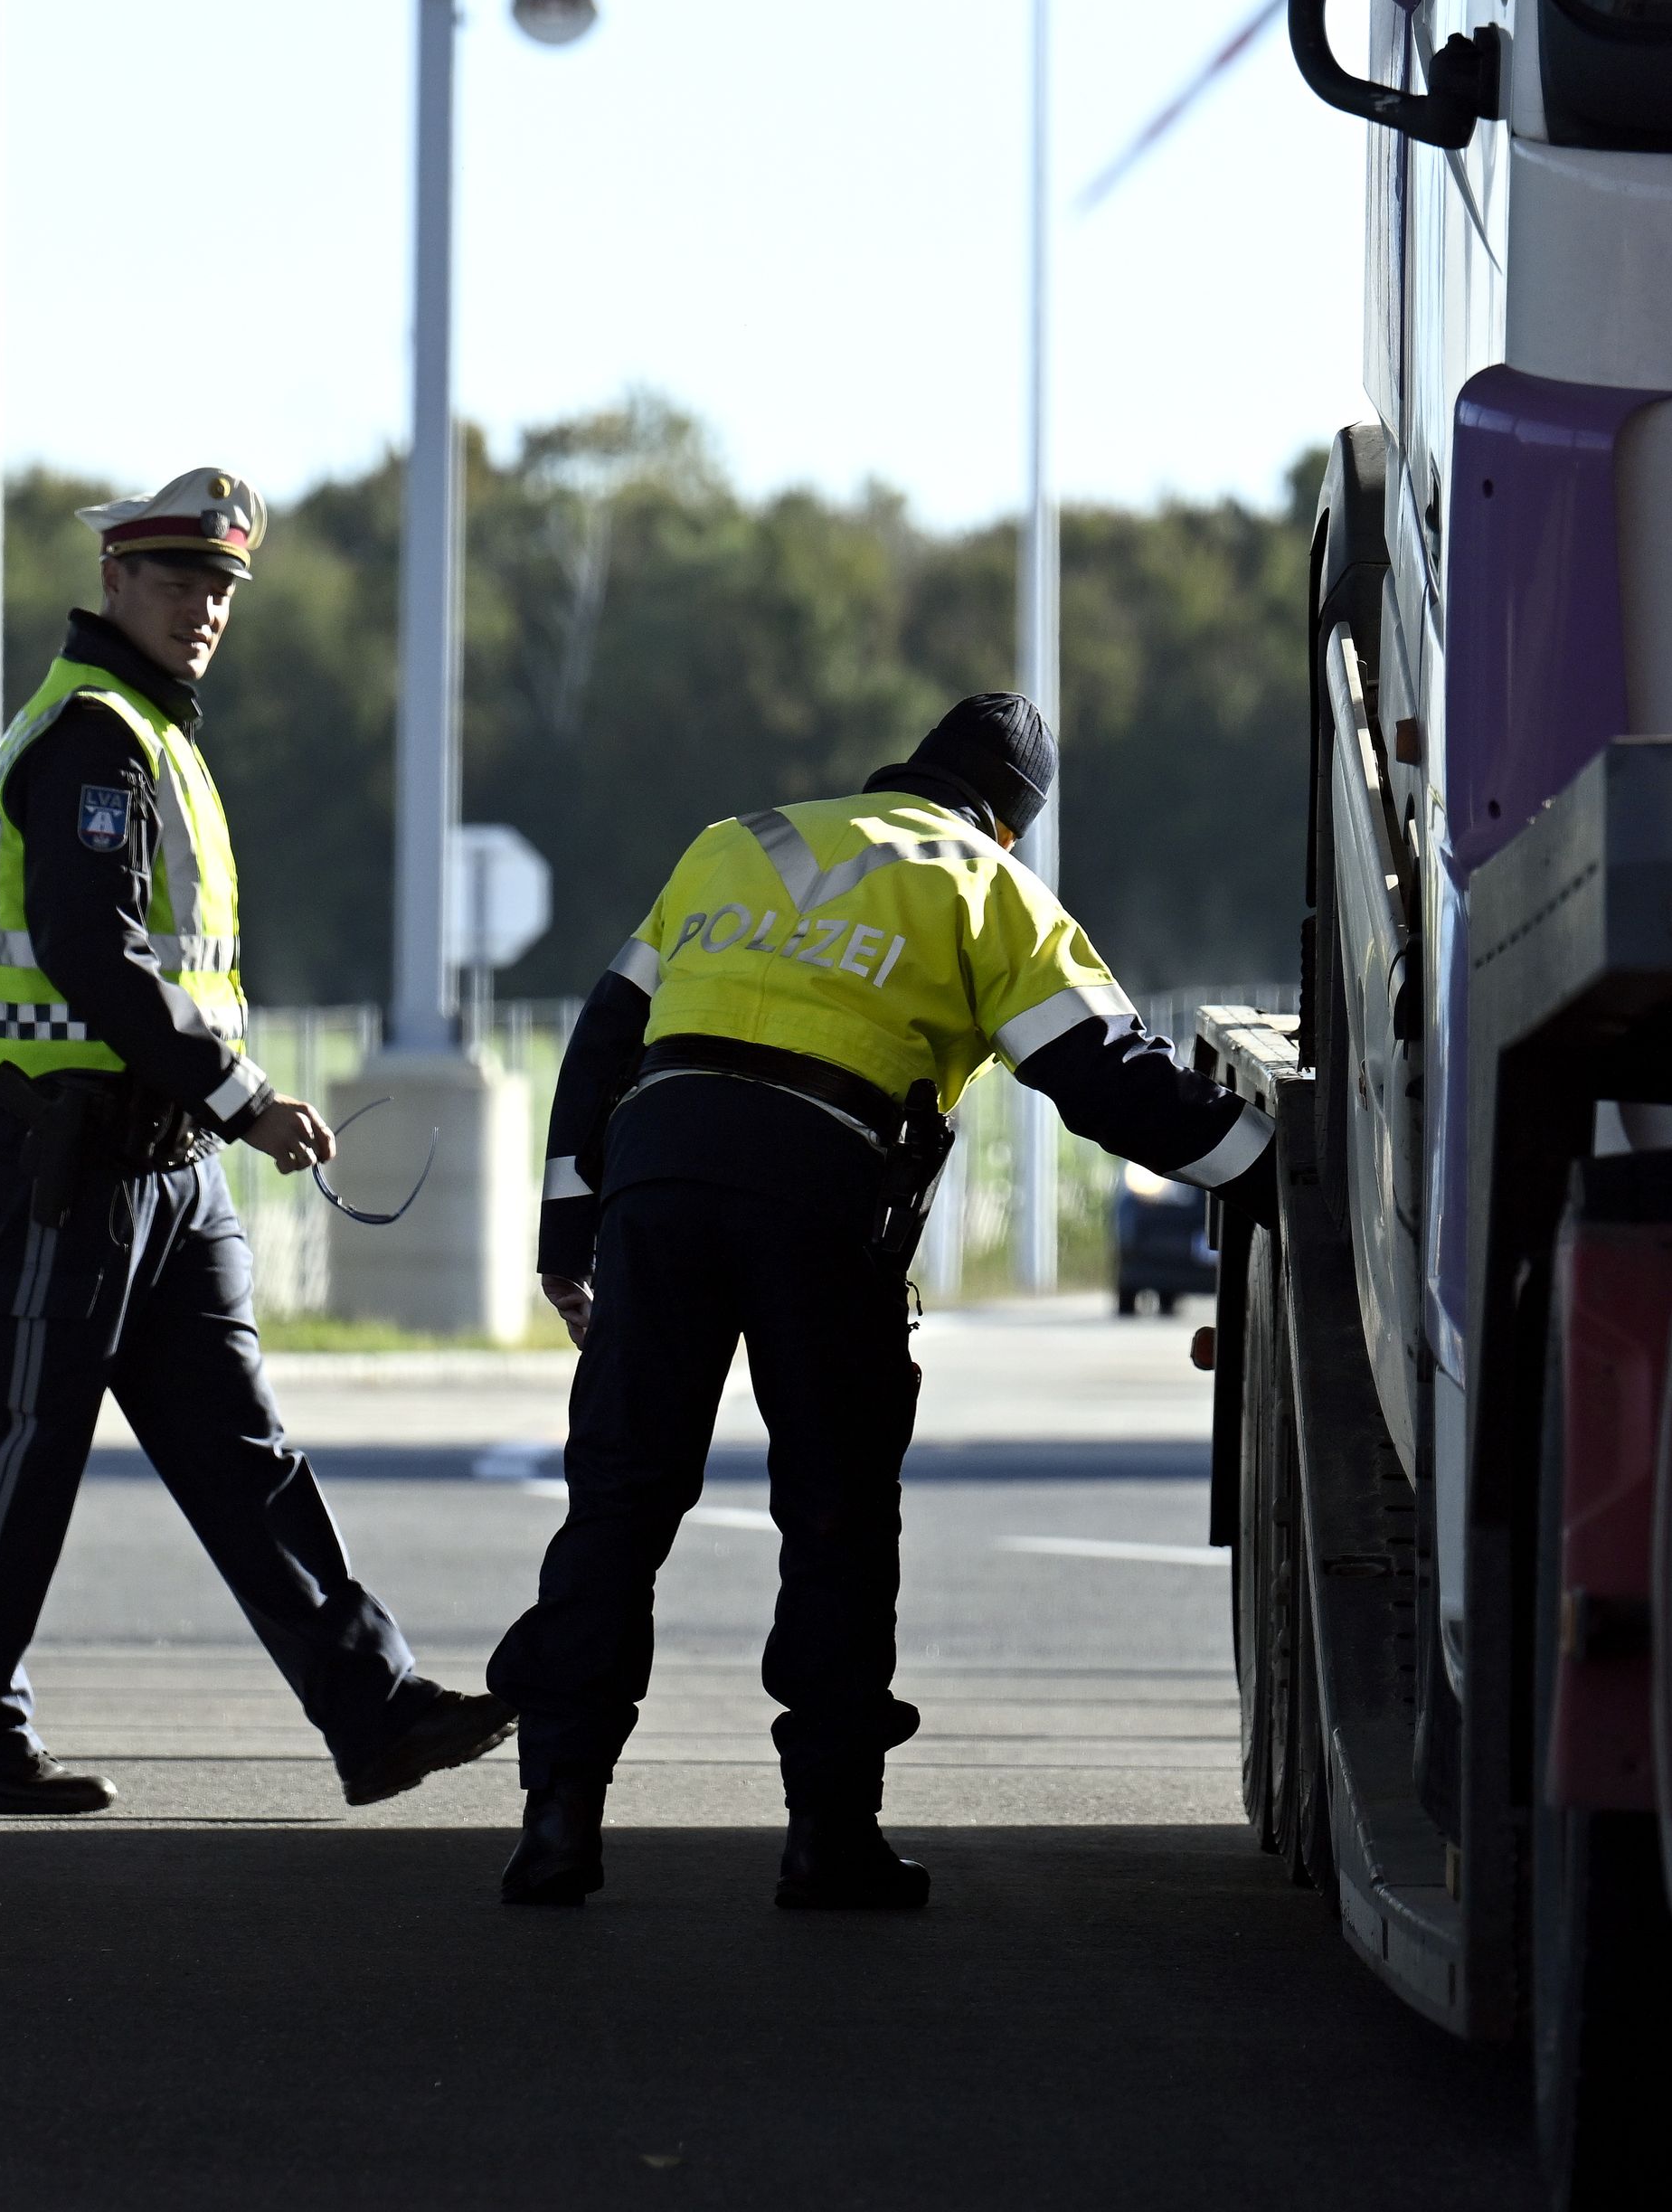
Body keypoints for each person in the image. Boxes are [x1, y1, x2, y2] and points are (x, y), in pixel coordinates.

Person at [487, 693, 1272, 1908]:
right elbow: (1104, 1075)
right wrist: (1274, 1174)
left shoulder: (735, 841)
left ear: (891, 776)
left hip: (663, 1173)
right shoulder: (985, 884)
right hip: (821, 1186)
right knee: (838, 1513)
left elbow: (605, 1036)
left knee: (621, 1502)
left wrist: (565, 1231)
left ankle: (557, 1820)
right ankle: (828, 1835)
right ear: (1009, 821)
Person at [0, 468, 513, 1815]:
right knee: (28, 1443)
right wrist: (242, 1095)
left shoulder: (153, 737)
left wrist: (215, 1107)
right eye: (182, 580)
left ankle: (376, 1709)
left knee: (246, 1452)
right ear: (116, 581)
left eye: (224, 587)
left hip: (163, 1170)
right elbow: (93, 951)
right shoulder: (92, 740)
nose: (207, 608)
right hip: (76, 1160)